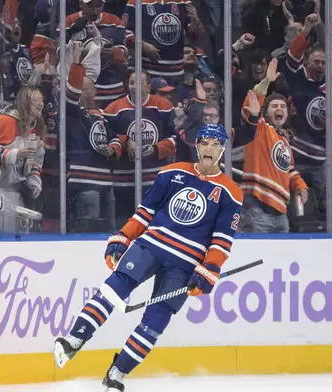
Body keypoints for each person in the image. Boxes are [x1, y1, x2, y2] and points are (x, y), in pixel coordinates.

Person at [53, 123, 243, 392]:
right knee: (113, 289)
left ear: (223, 149)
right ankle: (74, 339)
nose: (209, 148)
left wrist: (210, 268)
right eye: (205, 142)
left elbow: (222, 240)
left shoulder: (230, 192)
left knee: (156, 320)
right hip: (150, 246)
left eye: (215, 144)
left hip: (185, 263)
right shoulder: (172, 172)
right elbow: (145, 212)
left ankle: (118, 372)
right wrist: (123, 237)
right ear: (197, 146)